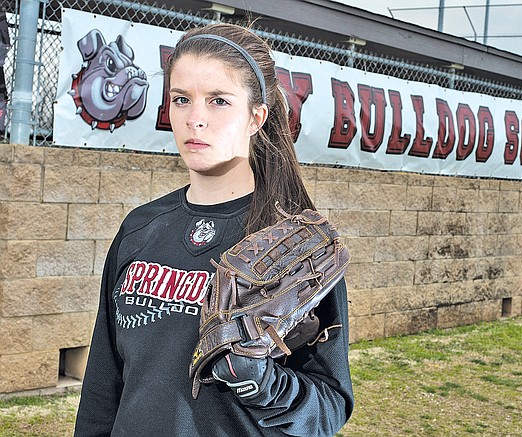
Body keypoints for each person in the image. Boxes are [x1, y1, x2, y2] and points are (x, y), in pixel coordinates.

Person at [74, 22, 354, 437]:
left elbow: (329, 408)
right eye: (182, 100)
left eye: (219, 101)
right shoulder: (140, 228)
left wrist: (261, 382)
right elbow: (103, 382)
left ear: (256, 117)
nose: (195, 119)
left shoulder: (298, 248)